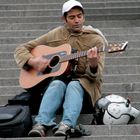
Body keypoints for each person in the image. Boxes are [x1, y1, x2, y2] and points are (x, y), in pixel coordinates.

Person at [14, 0, 108, 137]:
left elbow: (96, 76)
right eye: (72, 17)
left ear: (84, 16)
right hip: (59, 86)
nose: (77, 20)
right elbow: (20, 49)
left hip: (86, 87)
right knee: (57, 83)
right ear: (64, 19)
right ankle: (41, 124)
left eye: (79, 16)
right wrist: (32, 61)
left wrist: (93, 65)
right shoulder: (56, 34)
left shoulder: (95, 40)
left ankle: (67, 125)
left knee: (74, 85)